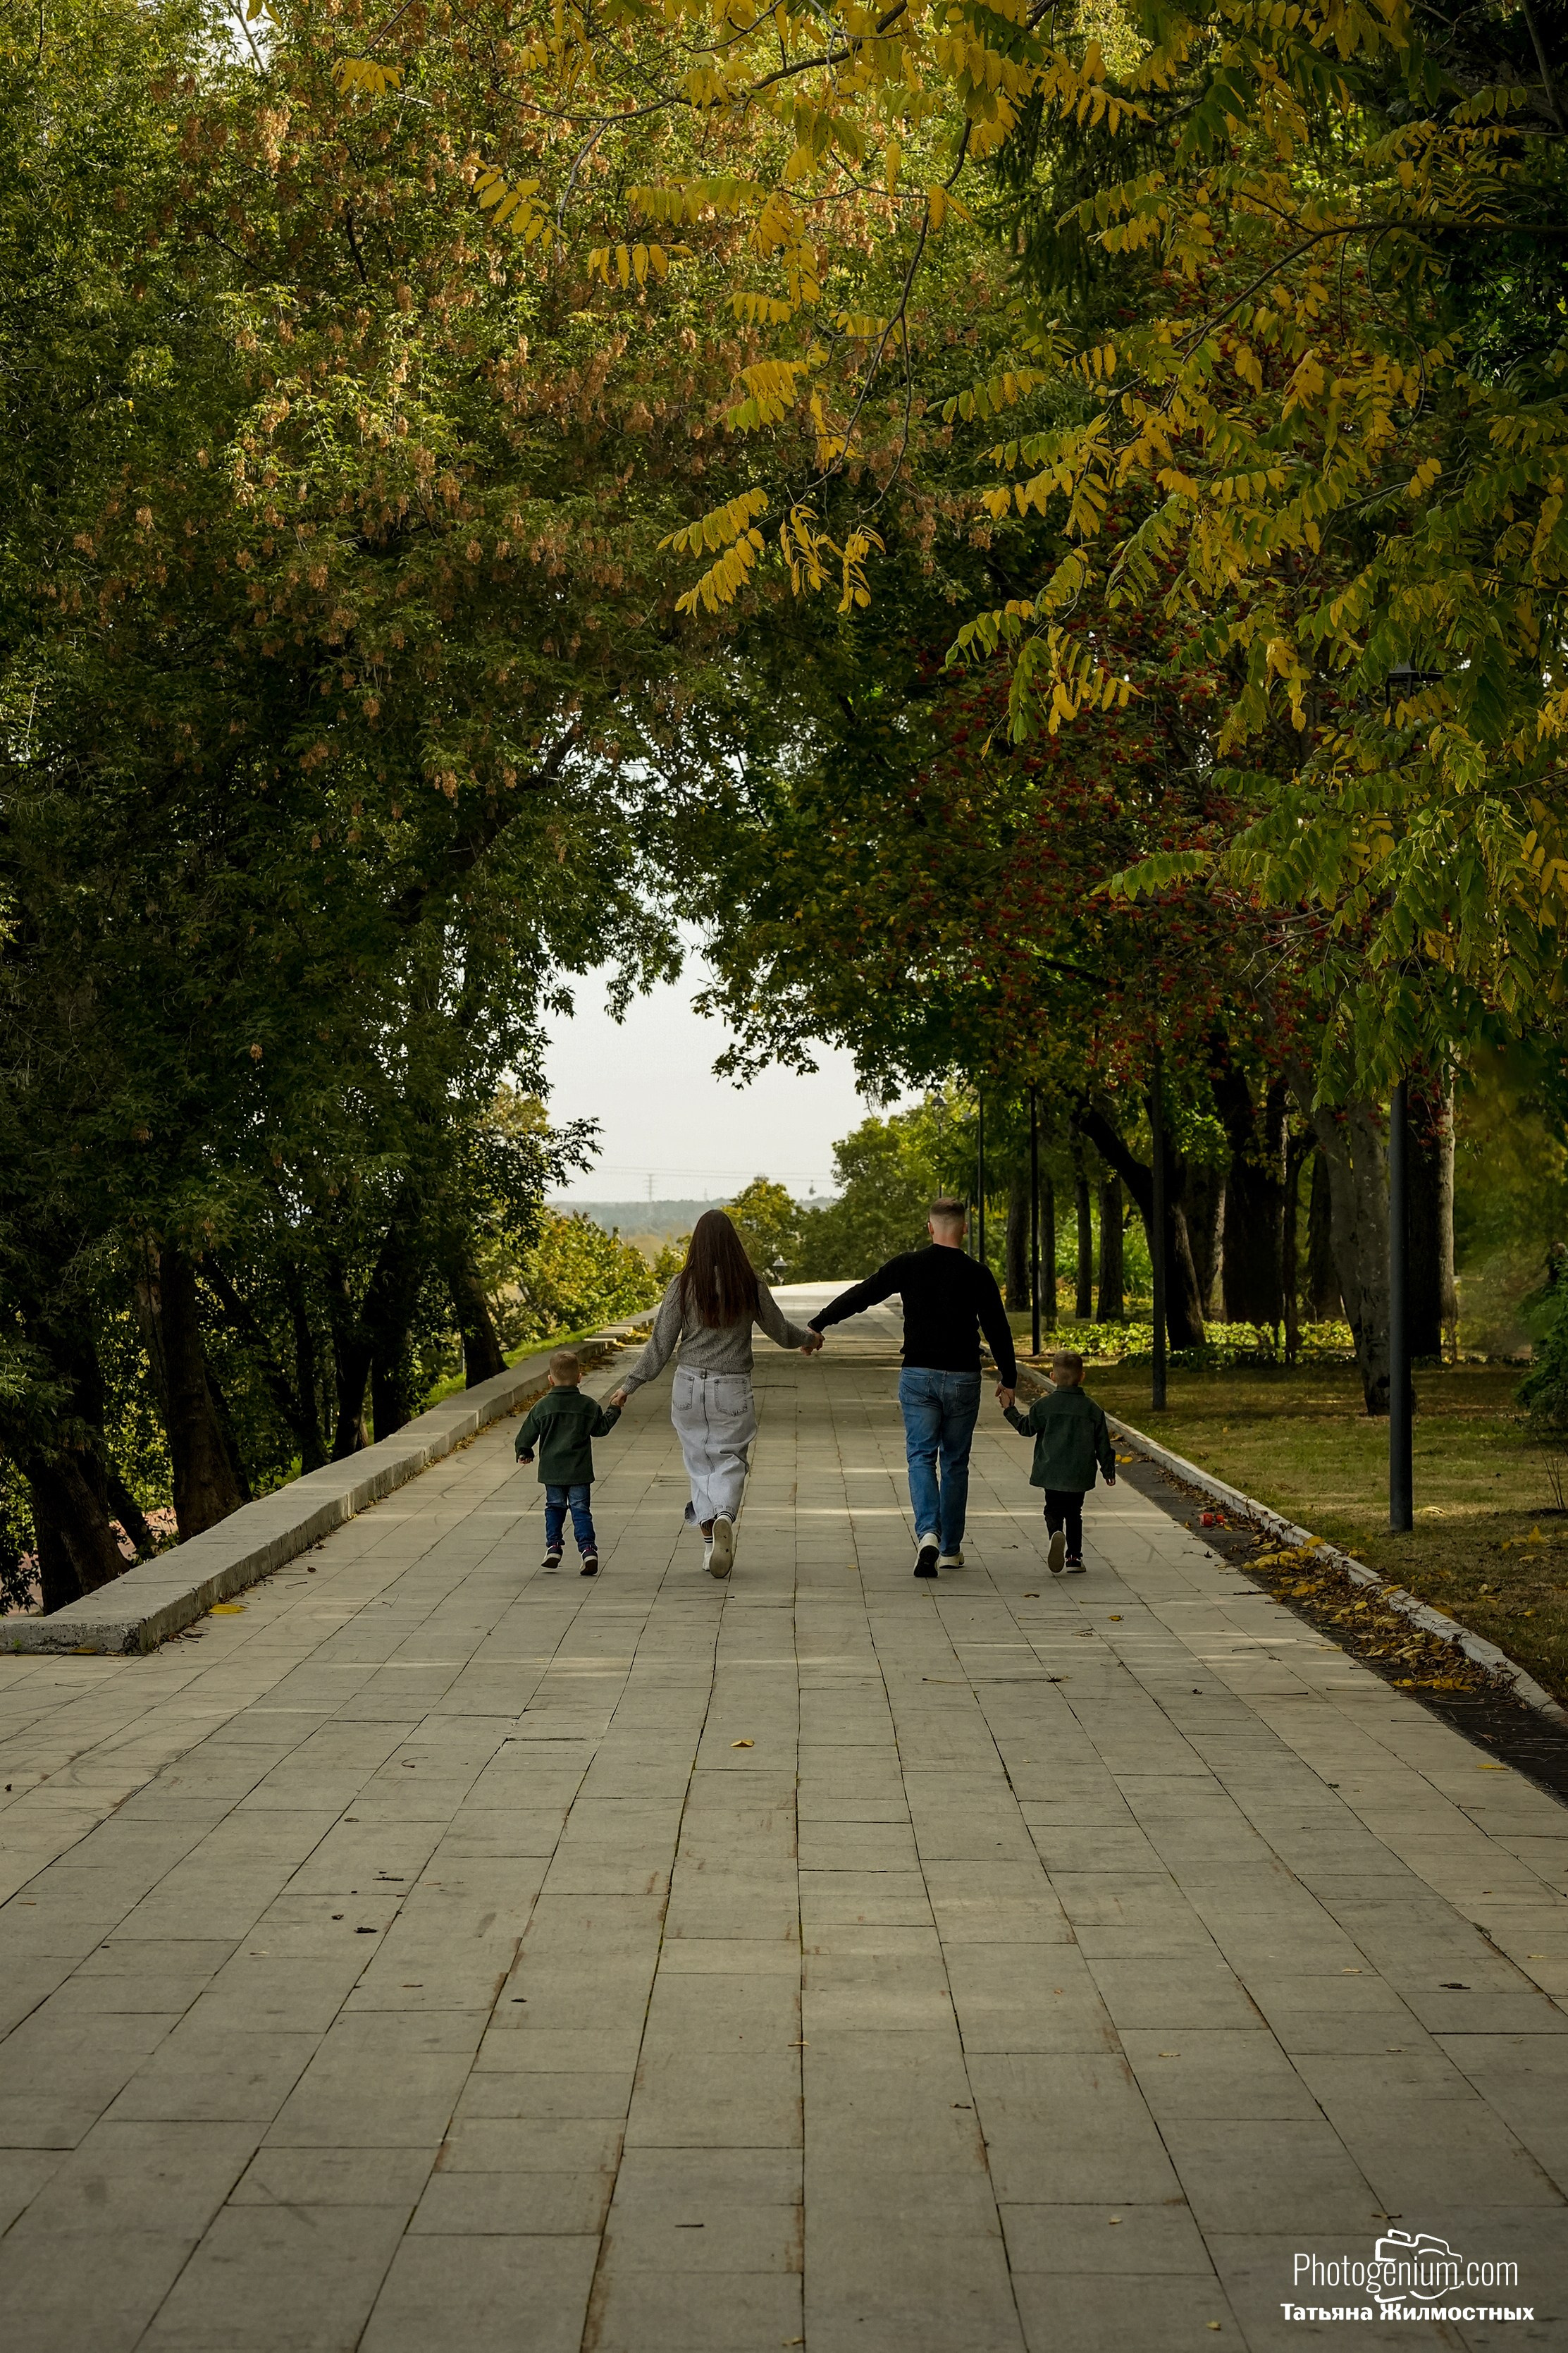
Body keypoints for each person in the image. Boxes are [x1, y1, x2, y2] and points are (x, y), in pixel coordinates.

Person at [807, 1198, 1017, 1579]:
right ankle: (950, 1550)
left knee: (921, 1457)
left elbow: (863, 1294)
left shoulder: (909, 1265)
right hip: (964, 1378)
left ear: (930, 1228)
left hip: (918, 1375)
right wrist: (1008, 1377)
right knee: (955, 1462)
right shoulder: (977, 1273)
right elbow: (997, 1327)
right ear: (965, 1229)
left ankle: (929, 1534)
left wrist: (819, 1324)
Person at [609, 1208, 822, 1578]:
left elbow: (660, 1344)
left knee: (698, 1463)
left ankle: (710, 1547)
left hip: (688, 1385)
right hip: (732, 1387)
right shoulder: (749, 1283)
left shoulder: (683, 1285)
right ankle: (724, 1515)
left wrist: (630, 1384)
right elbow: (780, 1330)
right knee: (729, 1460)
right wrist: (809, 1339)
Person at [1001, 1346, 1115, 1574]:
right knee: (1074, 1513)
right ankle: (1074, 1557)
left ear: (1053, 1377)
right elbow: (1103, 1443)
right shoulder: (1092, 1409)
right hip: (1079, 1473)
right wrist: (1108, 1470)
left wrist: (1009, 1410)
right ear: (1082, 1376)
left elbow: (1026, 1428)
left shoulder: (1045, 1406)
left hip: (1051, 1471)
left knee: (1053, 1509)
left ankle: (1055, 1532)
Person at [514, 1347, 622, 1576]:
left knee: (554, 1508)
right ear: (580, 1378)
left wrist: (525, 1452)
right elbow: (601, 1429)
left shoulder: (542, 1406)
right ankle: (588, 1550)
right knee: (581, 1510)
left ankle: (554, 1547)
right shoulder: (588, 1405)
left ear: (550, 1379)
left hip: (552, 1472)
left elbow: (526, 1435)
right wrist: (614, 1408)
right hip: (579, 1471)